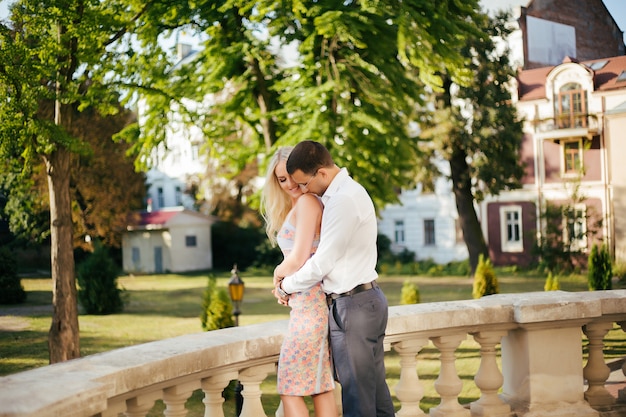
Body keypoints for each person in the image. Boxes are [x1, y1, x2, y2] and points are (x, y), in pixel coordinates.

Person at [274, 140, 395, 417]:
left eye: (305, 184)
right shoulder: (344, 194)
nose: (302, 191)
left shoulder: (342, 200)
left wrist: (286, 286)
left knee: (358, 399)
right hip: (364, 301)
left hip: (354, 305)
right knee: (375, 394)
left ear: (322, 174)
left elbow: (321, 263)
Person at [260, 146, 338, 417]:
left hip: (310, 306)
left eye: (293, 177)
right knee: (320, 386)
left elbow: (299, 257)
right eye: (282, 179)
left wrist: (278, 276)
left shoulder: (307, 202)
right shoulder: (300, 205)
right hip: (306, 304)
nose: (290, 184)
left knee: (289, 386)